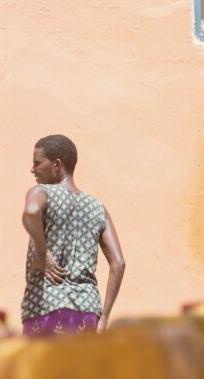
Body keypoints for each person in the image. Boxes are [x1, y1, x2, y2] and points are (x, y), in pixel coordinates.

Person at [20, 134, 125, 336]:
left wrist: (41, 252)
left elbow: (31, 211)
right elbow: (118, 263)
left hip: (45, 308)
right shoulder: (97, 207)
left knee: (41, 368)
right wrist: (103, 318)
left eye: (37, 163)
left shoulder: (41, 192)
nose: (32, 169)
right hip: (87, 312)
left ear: (57, 164)